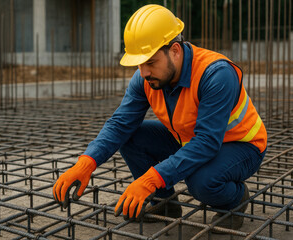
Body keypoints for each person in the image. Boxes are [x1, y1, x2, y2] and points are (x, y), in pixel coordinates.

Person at [53, 4, 267, 230]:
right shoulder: (145, 78)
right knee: (131, 136)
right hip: (189, 139)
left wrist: (150, 180)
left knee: (201, 182)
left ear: (175, 50)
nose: (143, 72)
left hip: (241, 145)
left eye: (151, 62)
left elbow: (207, 143)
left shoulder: (216, 74)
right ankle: (165, 204)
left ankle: (235, 199)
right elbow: (119, 124)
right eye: (139, 63)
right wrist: (87, 162)